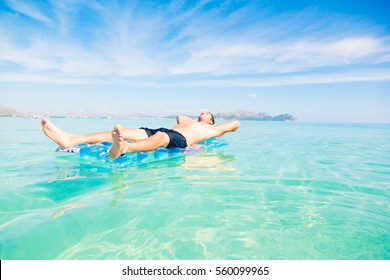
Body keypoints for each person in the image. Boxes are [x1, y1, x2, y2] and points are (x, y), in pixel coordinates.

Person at [41, 112, 240, 160]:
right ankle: (71, 138)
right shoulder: (188, 121)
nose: (203, 112)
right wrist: (198, 119)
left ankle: (125, 148)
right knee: (123, 131)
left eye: (207, 113)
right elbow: (180, 115)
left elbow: (235, 124)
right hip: (161, 130)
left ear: (212, 121)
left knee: (162, 137)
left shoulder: (213, 129)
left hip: (179, 139)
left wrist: (217, 125)